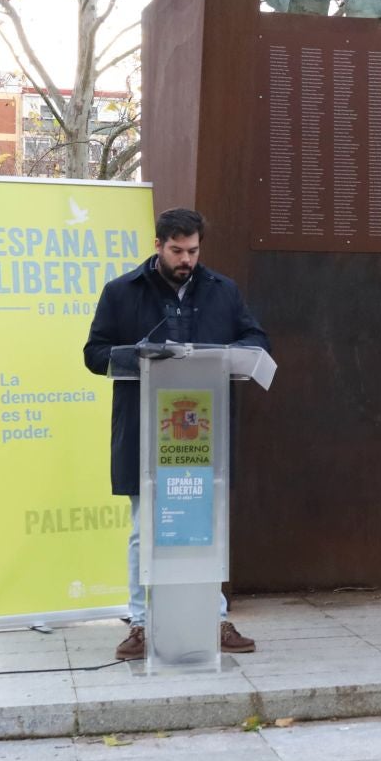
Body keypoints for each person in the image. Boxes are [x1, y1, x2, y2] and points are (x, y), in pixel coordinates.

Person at [84, 207, 270, 662]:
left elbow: (255, 340)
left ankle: (214, 618)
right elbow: (95, 354)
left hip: (205, 437)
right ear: (158, 245)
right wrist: (140, 356)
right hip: (148, 432)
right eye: (177, 250)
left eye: (193, 251)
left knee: (206, 527)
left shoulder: (222, 291)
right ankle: (141, 625)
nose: (186, 259)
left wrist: (237, 353)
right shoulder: (122, 292)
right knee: (143, 530)